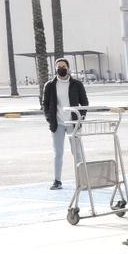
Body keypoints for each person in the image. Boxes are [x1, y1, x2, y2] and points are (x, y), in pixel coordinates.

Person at [42, 58, 88, 190]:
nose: (61, 68)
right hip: (57, 124)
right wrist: (49, 119)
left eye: (63, 66)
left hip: (73, 123)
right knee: (58, 153)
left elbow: (84, 103)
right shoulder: (50, 85)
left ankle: (83, 180)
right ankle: (57, 181)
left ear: (68, 68)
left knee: (78, 152)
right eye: (58, 66)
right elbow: (45, 104)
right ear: (55, 69)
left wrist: (80, 119)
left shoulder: (76, 84)